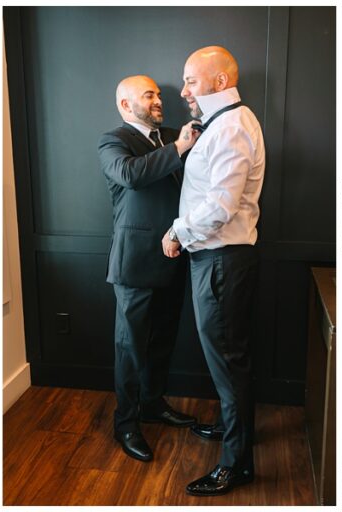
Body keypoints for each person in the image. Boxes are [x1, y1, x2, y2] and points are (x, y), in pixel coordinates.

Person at [162, 46, 265, 496]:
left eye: (191, 80)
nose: (184, 90)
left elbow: (221, 206)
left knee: (228, 361)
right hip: (219, 259)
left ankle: (237, 465)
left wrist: (177, 232)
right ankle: (231, 428)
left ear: (220, 82)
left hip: (221, 258)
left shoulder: (233, 126)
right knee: (229, 356)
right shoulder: (222, 124)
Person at [97, 75, 201, 462]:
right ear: (126, 105)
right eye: (150, 95)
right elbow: (130, 175)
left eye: (158, 94)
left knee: (162, 339)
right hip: (134, 263)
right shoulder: (113, 141)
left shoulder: (176, 134)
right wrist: (178, 147)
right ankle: (125, 423)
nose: (159, 100)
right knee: (129, 348)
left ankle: (153, 405)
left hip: (175, 256)